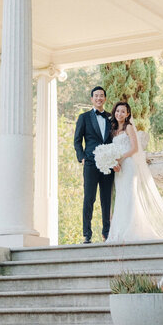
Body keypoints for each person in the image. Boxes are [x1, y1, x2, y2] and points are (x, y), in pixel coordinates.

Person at [105, 101, 163, 243]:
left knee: (130, 196)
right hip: (119, 169)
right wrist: (113, 162)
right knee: (121, 197)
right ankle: (119, 231)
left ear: (128, 114)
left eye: (123, 111)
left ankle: (131, 231)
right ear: (114, 112)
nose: (120, 114)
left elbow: (135, 148)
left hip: (129, 165)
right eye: (118, 111)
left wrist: (121, 158)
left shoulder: (129, 127)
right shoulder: (113, 130)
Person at [73, 85, 114, 243]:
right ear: (92, 99)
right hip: (90, 163)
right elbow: (77, 141)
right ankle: (87, 234)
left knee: (106, 198)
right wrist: (81, 157)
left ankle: (107, 232)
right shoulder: (84, 117)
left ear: (105, 98)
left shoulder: (111, 117)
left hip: (108, 164)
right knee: (89, 198)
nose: (99, 98)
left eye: (101, 95)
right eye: (96, 96)